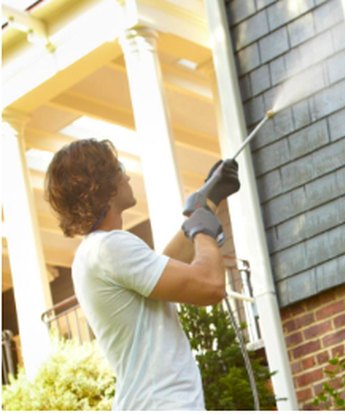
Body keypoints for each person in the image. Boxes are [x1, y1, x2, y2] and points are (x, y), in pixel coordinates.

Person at [45, 138, 240, 410]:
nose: (126, 175)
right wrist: (203, 230)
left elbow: (162, 269)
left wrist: (207, 202)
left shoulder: (94, 253)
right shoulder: (110, 247)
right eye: (118, 167)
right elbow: (210, 285)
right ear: (102, 185)